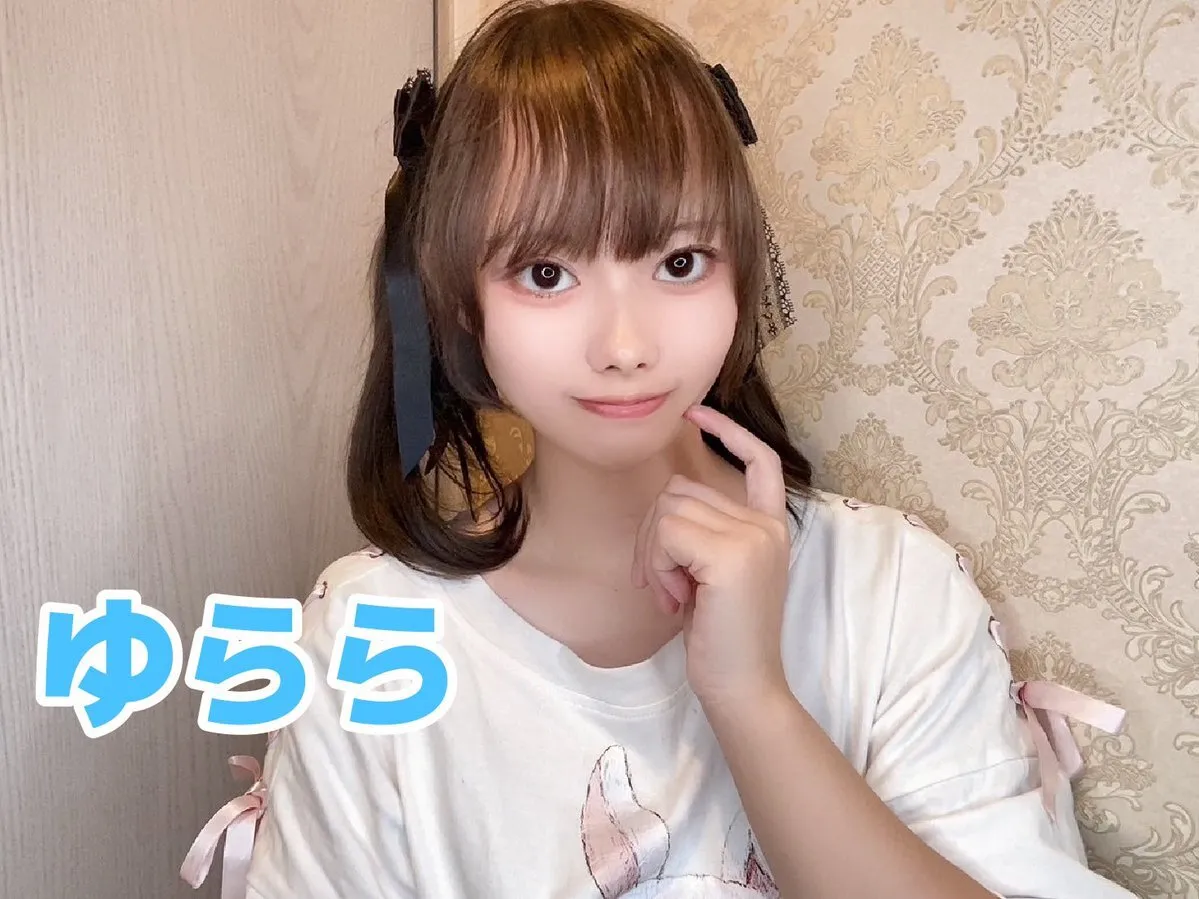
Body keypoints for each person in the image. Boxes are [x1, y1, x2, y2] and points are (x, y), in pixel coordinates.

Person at [182, 1, 1138, 896]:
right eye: (545, 273)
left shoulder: (890, 585)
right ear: (458, 302)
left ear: (740, 271)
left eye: (679, 262)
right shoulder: (371, 628)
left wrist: (752, 698)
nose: (625, 344)